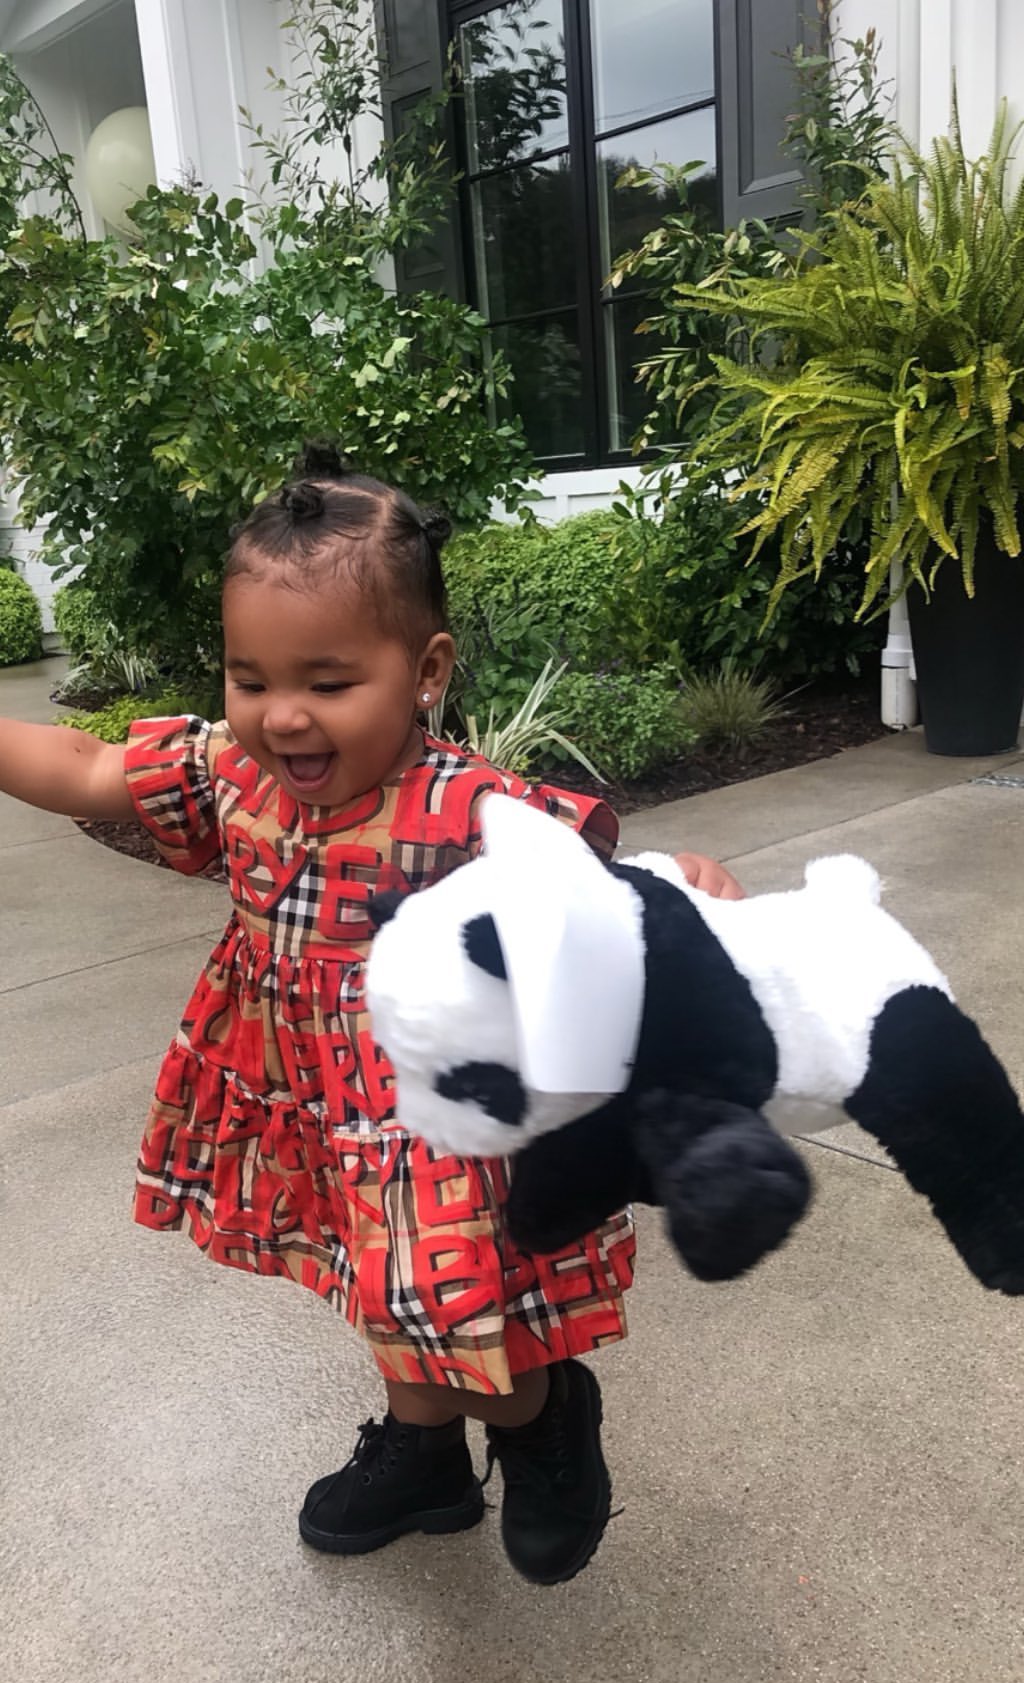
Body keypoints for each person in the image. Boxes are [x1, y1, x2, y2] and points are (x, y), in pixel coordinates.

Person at [0, 443, 743, 1586]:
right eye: (252, 679)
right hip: (310, 1098)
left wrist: (685, 887)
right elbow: (93, 765)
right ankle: (426, 1454)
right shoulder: (230, 778)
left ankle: (540, 1418)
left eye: (328, 682)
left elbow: (607, 899)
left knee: (458, 1309)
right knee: (374, 1282)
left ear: (426, 667)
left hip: (441, 1122)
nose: (282, 716)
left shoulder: (468, 809)